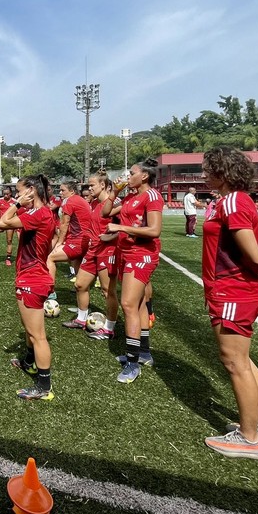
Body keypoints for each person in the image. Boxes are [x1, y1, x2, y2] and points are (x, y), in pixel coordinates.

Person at [201, 146, 258, 460]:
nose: (203, 174)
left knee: (235, 363)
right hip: (238, 292)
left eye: (208, 168)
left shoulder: (234, 201)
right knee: (245, 361)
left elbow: (253, 253)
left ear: (223, 171)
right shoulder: (231, 201)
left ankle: (249, 440)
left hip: (233, 294)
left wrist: (256, 284)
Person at [0, 175, 58, 401]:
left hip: (33, 279)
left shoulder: (39, 214)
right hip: (29, 277)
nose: (17, 194)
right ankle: (29, 363)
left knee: (38, 335)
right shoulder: (37, 213)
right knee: (28, 329)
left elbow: (3, 222)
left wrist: (16, 204)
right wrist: (20, 205)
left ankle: (44, 387)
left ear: (31, 191)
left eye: (19, 190)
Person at [105, 159, 164, 384]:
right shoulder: (130, 197)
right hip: (127, 253)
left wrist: (121, 227)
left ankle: (132, 363)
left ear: (145, 176)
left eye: (132, 173)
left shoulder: (152, 196)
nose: (127, 176)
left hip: (142, 255)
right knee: (137, 304)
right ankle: (144, 353)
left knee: (128, 304)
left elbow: (155, 230)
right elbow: (105, 213)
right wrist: (115, 192)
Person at [63, 172, 120, 338]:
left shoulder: (114, 202)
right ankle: (81, 319)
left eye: (92, 185)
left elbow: (123, 227)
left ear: (103, 185)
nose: (89, 188)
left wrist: (109, 237)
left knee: (106, 291)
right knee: (80, 284)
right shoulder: (94, 203)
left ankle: (109, 328)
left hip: (108, 250)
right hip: (93, 249)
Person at [45, 180, 91, 306]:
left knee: (51, 258)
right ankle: (82, 307)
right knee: (78, 273)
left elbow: (65, 223)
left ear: (72, 191)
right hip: (84, 240)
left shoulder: (70, 201)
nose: (60, 192)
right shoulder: (80, 200)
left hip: (78, 241)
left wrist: (60, 242)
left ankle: (50, 292)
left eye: (62, 190)